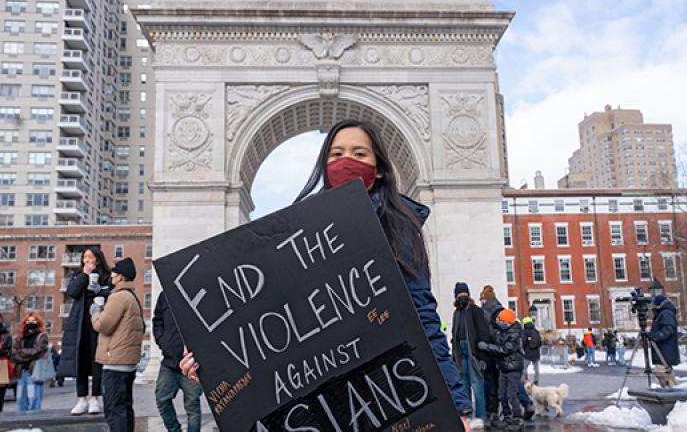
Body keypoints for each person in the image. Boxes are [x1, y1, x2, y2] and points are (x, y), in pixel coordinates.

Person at [179, 119, 474, 431]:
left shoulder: (400, 229)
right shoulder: (292, 235)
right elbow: (269, 319)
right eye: (336, 154)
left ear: (380, 168)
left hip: (391, 389)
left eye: (359, 154)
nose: (346, 161)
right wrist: (213, 362)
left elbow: (425, 320)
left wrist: (456, 405)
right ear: (323, 164)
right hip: (324, 401)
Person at [91, 257, 144, 432]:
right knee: (125, 408)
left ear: (121, 277)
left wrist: (95, 312)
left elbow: (103, 326)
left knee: (114, 410)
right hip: (127, 364)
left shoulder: (118, 297)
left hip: (115, 363)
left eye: (114, 274)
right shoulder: (132, 297)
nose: (111, 277)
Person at [58, 247, 112, 415]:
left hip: (98, 320)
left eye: (91, 257)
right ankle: (82, 398)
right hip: (81, 322)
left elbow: (111, 293)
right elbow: (72, 292)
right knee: (80, 359)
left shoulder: (106, 276)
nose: (87, 260)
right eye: (85, 257)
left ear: (98, 259)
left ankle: (95, 397)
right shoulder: (78, 275)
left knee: (97, 360)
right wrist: (84, 275)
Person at [153, 291, 202, 432]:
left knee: (192, 407)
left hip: (193, 363)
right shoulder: (165, 295)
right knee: (161, 399)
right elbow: (158, 320)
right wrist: (163, 342)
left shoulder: (199, 290)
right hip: (169, 362)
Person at [451, 283, 489, 429]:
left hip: (474, 353)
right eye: (459, 295)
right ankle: (467, 416)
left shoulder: (475, 311)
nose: (462, 297)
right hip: (461, 354)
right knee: (464, 385)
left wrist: (482, 357)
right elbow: (455, 334)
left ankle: (480, 417)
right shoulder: (456, 313)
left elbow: (483, 332)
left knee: (477, 385)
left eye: (464, 295)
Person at [479, 308, 525, 430]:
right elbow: (497, 337)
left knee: (511, 394)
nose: (498, 322)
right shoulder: (504, 331)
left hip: (513, 368)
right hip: (504, 367)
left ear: (507, 323)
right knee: (501, 394)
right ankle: (507, 415)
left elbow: (504, 350)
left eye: (500, 320)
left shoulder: (514, 334)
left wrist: (486, 347)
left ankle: (517, 417)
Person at [12, 312, 49, 411]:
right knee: (21, 397)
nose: (30, 322)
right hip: (21, 370)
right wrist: (28, 354)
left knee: (34, 397)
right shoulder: (19, 337)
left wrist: (22, 353)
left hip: (34, 370)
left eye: (33, 320)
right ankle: (21, 418)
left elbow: (38, 352)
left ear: (38, 322)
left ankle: (34, 417)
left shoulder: (42, 336)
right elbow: (14, 353)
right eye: (28, 321)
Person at [478, 284, 502, 418]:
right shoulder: (501, 309)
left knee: (489, 381)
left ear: (484, 299)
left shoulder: (484, 312)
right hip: (502, 350)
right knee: (504, 382)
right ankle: (516, 408)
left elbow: (484, 331)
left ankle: (491, 410)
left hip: (488, 350)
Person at [647, 295, 680, 387]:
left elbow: (668, 329)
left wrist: (656, 336)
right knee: (664, 370)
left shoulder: (665, 313)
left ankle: (671, 390)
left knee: (662, 371)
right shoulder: (663, 313)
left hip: (665, 349)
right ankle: (671, 390)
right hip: (663, 349)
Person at [522, 317, 541, 384]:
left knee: (524, 367)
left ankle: (525, 380)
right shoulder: (536, 331)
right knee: (536, 369)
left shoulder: (525, 332)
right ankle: (536, 381)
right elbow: (540, 342)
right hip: (536, 352)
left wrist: (524, 349)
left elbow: (523, 342)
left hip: (528, 352)